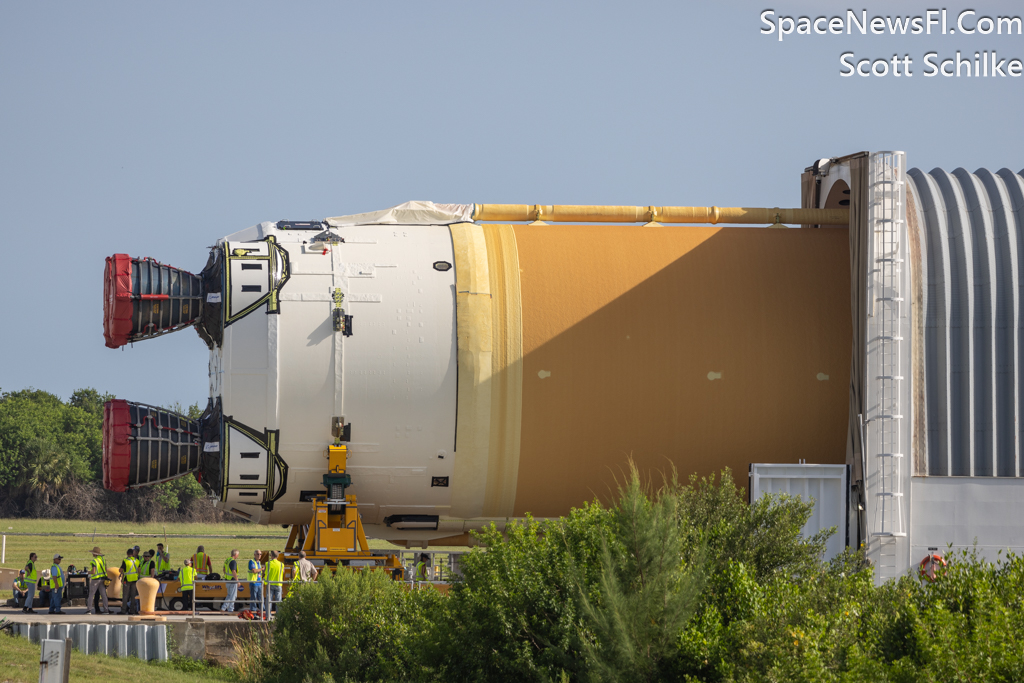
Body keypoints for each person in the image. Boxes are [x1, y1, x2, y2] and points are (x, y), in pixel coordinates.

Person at [85, 546, 110, 615]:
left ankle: (89, 610)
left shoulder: (94, 561)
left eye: (93, 553)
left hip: (95, 579)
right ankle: (106, 610)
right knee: (103, 595)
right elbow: (106, 569)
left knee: (91, 594)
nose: (92, 554)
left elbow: (93, 571)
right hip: (102, 579)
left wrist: (87, 572)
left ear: (95, 554)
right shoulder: (103, 559)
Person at [119, 547, 140, 615]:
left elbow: (120, 570)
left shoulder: (125, 561)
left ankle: (123, 610)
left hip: (127, 580)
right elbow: (139, 570)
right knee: (133, 596)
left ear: (127, 553)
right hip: (135, 580)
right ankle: (132, 610)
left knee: (125, 595)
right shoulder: (137, 561)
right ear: (133, 554)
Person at [248, 550, 263, 615]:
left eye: (260, 554)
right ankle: (253, 613)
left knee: (261, 599)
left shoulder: (259, 562)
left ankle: (263, 612)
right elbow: (254, 570)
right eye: (258, 554)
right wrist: (262, 569)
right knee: (253, 599)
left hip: (259, 583)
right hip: (254, 583)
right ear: (254, 554)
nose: (259, 555)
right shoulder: (252, 561)